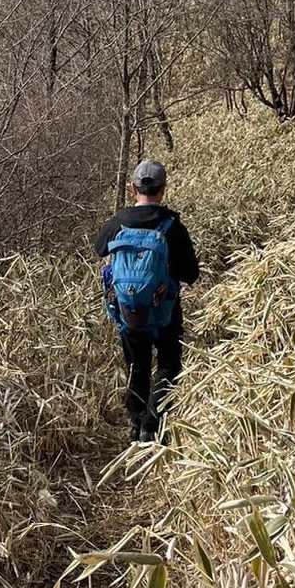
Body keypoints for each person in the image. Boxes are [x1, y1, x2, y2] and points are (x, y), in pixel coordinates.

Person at [94, 159, 200, 442]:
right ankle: (152, 424)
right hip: (165, 309)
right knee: (168, 364)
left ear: (133, 189)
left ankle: (136, 423)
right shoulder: (172, 226)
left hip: (128, 309)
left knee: (136, 365)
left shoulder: (118, 222)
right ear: (163, 190)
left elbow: (99, 248)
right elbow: (191, 273)